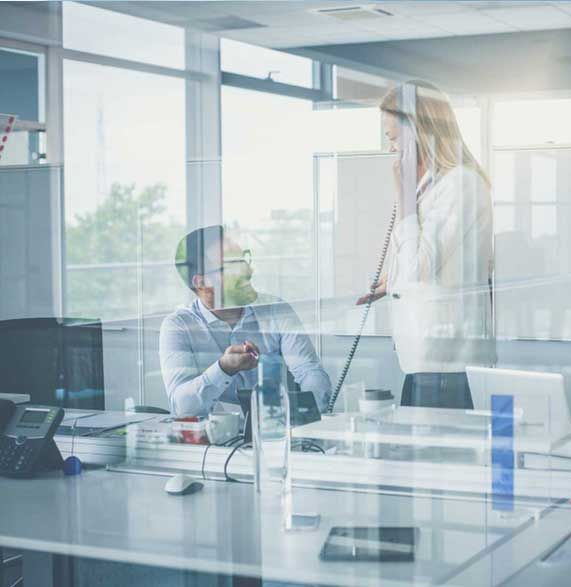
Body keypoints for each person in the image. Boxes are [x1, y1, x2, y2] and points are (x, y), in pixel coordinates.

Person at [357, 80, 495, 409]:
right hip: (424, 357)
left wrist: (403, 195)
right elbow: (427, 261)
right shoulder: (433, 184)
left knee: (433, 456)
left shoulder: (461, 184)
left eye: (392, 137)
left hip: (445, 360)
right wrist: (393, 283)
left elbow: (420, 265)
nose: (391, 147)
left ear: (418, 130)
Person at [159, 225, 331, 417]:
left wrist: (303, 415)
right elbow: (182, 408)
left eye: (244, 259)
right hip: (212, 442)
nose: (249, 270)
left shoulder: (275, 310)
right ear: (201, 282)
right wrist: (223, 369)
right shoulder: (178, 326)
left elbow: (309, 372)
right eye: (233, 265)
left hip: (275, 432)